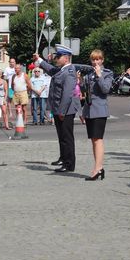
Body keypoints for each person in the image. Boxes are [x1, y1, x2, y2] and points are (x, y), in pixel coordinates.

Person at [33, 44, 80, 173]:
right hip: (59, 109)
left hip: (65, 110)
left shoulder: (69, 72)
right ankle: (63, 158)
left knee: (67, 137)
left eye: (59, 56)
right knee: (61, 136)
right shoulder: (61, 70)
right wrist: (39, 60)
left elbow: (67, 94)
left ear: (66, 58)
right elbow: (50, 69)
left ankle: (69, 164)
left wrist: (62, 111)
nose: (56, 58)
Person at [80, 50, 113, 181]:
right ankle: (99, 167)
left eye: (98, 59)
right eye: (93, 60)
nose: (95, 62)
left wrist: (99, 75)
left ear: (102, 60)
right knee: (93, 139)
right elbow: (85, 93)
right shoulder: (89, 74)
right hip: (89, 110)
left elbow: (105, 89)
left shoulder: (107, 73)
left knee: (98, 139)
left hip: (99, 110)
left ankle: (98, 168)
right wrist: (80, 81)